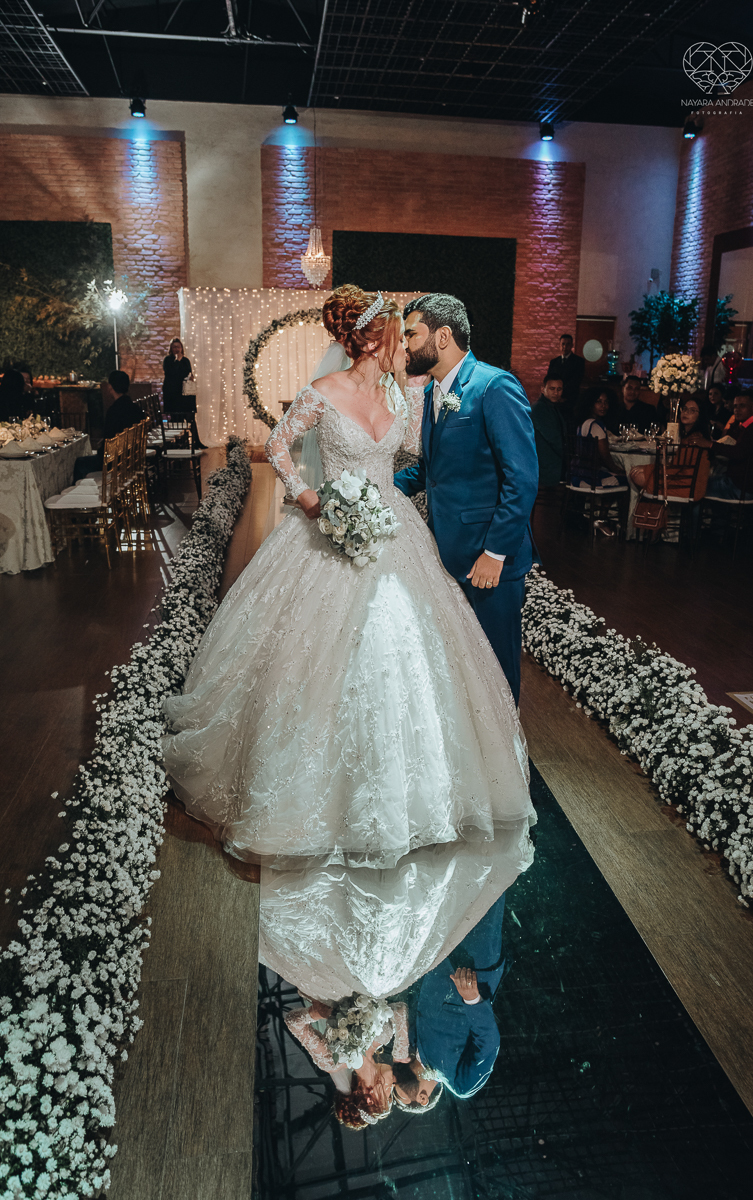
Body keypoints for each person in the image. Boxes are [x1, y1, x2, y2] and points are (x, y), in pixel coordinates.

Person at [163, 286, 536, 995]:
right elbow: (278, 445)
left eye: (410, 332)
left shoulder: (405, 398)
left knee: (408, 659)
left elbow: (414, 465)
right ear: (370, 338)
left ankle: (412, 787)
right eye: (397, 332)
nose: (404, 342)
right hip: (325, 534)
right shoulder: (324, 389)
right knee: (313, 661)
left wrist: (386, 499)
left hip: (395, 533)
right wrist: (315, 502)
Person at [394, 293, 539, 705]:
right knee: (460, 665)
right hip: (445, 554)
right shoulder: (431, 393)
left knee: (495, 668)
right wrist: (375, 489)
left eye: (411, 334)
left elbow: (522, 479)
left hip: (488, 560)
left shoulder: (494, 386)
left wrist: (495, 553)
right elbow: (430, 471)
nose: (405, 345)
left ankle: (507, 762)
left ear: (442, 337)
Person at [395, 895, 507, 1106]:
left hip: (441, 949)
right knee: (489, 886)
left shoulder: (409, 1048)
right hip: (474, 965)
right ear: (422, 1098)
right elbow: (488, 1044)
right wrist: (473, 999)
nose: (394, 1089)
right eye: (398, 1098)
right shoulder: (461, 1086)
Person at [284, 999, 408, 1128]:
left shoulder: (332, 1062)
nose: (394, 1084)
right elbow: (399, 1008)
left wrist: (316, 1013)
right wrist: (401, 1046)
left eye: (388, 1096)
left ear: (369, 1099)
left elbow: (293, 1022)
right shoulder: (384, 1038)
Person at [630, 395, 711, 501]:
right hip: (681, 480)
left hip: (686, 486)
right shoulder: (688, 436)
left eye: (692, 411)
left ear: (700, 416)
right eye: (685, 409)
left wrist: (647, 468)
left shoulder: (696, 439)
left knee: (638, 475)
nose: (686, 413)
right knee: (638, 473)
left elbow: (678, 469)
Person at [72, 370, 145, 483]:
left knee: (80, 463)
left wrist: (101, 449)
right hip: (131, 457)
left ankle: (81, 494)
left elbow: (109, 441)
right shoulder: (136, 409)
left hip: (115, 460)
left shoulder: (114, 411)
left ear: (111, 387)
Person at [706, 391, 753, 499]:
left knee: (698, 486)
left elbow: (738, 452)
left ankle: (709, 516)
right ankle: (720, 515)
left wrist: (710, 445)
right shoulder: (746, 426)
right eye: (735, 406)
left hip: (744, 487)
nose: (737, 410)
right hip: (746, 484)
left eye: (742, 406)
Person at [569, 388, 627, 489]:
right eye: (598, 402)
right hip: (589, 479)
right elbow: (606, 458)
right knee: (627, 479)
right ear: (590, 403)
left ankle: (603, 505)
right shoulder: (596, 426)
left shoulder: (582, 423)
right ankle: (607, 505)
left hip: (574, 475)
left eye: (606, 402)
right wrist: (621, 471)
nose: (603, 406)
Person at [162, 338, 206, 448]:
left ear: (182, 348)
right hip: (173, 395)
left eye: (178, 347)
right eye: (174, 347)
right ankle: (180, 443)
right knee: (177, 420)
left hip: (185, 394)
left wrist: (190, 377)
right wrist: (177, 360)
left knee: (190, 417)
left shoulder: (186, 360)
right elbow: (171, 374)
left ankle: (196, 441)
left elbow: (187, 372)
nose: (176, 349)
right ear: (171, 349)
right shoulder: (168, 360)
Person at [528, 374, 566, 490]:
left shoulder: (551, 407)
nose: (556, 393)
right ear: (543, 389)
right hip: (547, 466)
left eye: (559, 389)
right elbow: (554, 439)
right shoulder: (540, 409)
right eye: (552, 389)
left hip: (549, 464)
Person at [547, 333, 585, 417]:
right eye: (563, 344)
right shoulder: (554, 362)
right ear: (560, 345)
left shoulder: (579, 362)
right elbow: (549, 379)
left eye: (568, 344)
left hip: (570, 400)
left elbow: (576, 380)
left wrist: (562, 396)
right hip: (554, 399)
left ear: (572, 345)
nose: (565, 346)